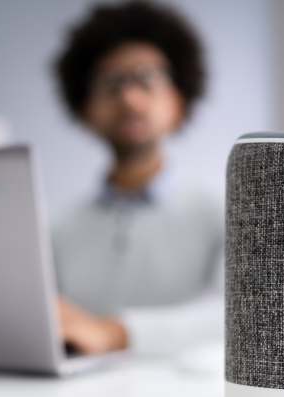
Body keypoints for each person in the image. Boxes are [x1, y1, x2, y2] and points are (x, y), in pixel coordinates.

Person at [52, 1, 224, 356]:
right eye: (111, 82)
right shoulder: (56, 227)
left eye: (148, 78)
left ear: (179, 99)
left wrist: (113, 333)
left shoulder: (224, 215)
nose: (130, 98)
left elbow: (243, 317)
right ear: (84, 107)